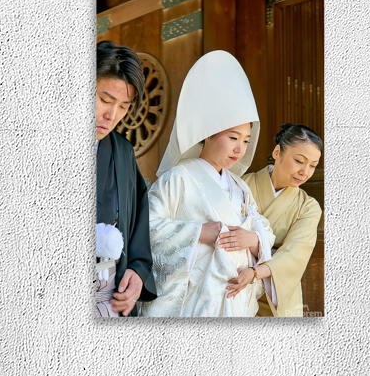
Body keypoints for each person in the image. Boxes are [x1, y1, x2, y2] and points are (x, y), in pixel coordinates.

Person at [141, 50, 275, 318]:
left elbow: (264, 229)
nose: (240, 148)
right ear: (209, 134)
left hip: (236, 302)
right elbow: (147, 228)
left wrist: (255, 240)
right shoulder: (177, 179)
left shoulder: (240, 186)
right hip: (195, 306)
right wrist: (198, 233)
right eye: (233, 137)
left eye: (246, 140)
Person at [95, 41, 158, 317]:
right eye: (105, 100)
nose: (112, 116)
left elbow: (138, 224)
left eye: (123, 106)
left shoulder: (122, 151)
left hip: (108, 299)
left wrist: (137, 270)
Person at [241, 124, 323, 317]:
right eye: (299, 161)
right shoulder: (241, 185)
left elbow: (294, 254)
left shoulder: (308, 207)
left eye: (312, 165)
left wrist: (254, 272)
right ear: (277, 152)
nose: (305, 172)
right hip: (235, 287)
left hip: (276, 300)